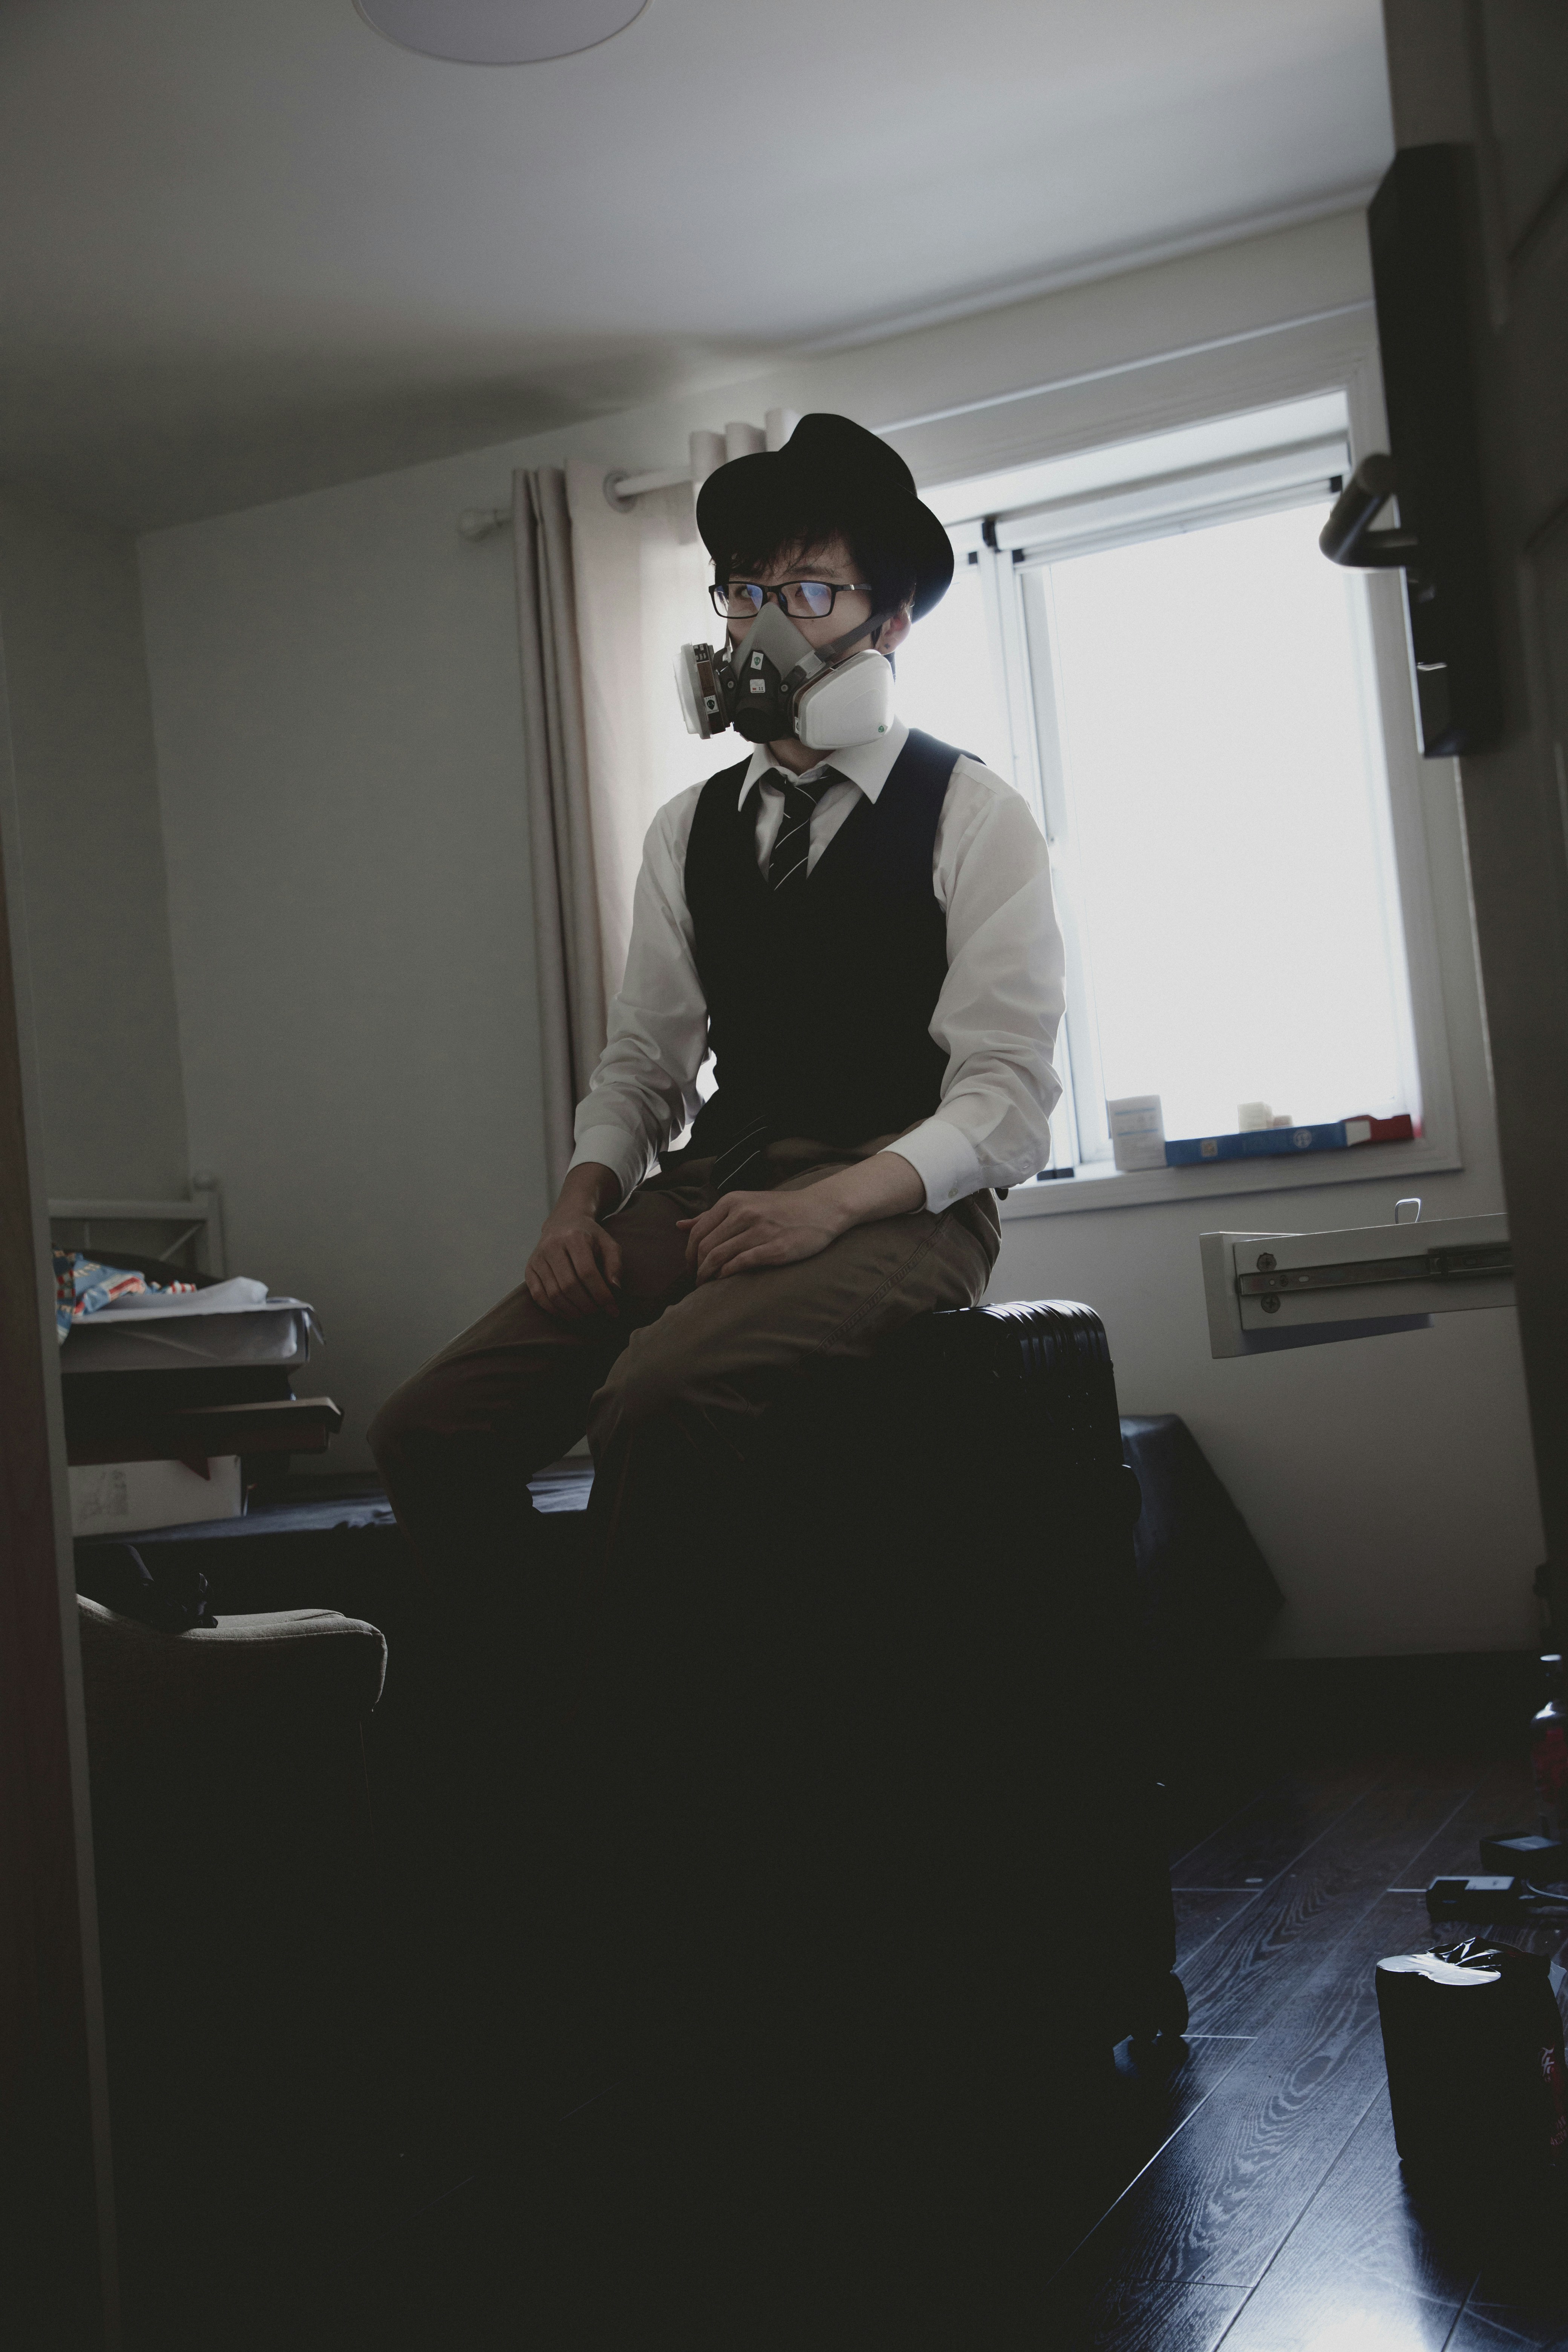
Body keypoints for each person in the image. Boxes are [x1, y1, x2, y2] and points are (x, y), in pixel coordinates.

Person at [369, 412, 1065, 1606]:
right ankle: (529, 1700)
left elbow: (1008, 1104)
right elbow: (645, 1060)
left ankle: (656, 1749)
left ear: (888, 622)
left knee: (658, 1394)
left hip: (902, 1199)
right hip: (720, 1180)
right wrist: (577, 1208)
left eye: (809, 588)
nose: (764, 624)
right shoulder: (687, 831)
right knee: (428, 1429)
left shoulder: (974, 814)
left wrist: (829, 1209)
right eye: (744, 590)